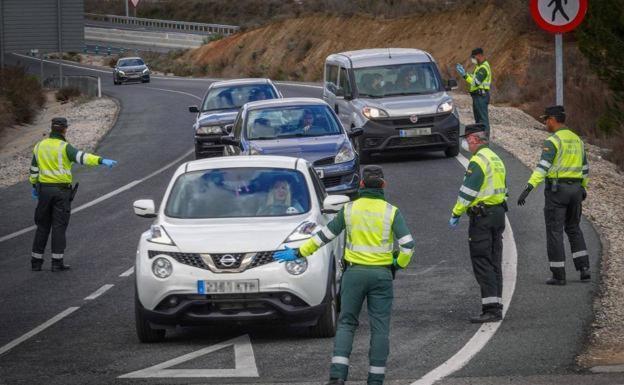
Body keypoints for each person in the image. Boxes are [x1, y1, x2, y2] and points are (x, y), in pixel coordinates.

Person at [273, 165, 415, 385]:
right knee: (380, 328)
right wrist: (397, 264)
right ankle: (375, 379)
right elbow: (408, 246)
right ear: (383, 185)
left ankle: (338, 376)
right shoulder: (391, 212)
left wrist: (299, 251)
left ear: (361, 184)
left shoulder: (349, 210)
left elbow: (324, 236)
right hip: (381, 276)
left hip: (354, 275)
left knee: (347, 323)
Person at [29, 117, 117, 272]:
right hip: (61, 192)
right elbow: (83, 158)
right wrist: (101, 160)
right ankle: (57, 263)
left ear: (52, 128)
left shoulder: (39, 146)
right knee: (58, 226)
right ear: (64, 129)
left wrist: (34, 186)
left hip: (44, 191)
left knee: (42, 226)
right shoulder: (64, 147)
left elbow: (34, 170)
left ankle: (36, 262)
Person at [517, 105, 590, 285]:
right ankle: (584, 269)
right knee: (574, 228)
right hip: (576, 190)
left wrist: (528, 188)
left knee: (554, 231)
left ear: (553, 119)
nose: (544, 123)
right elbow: (585, 168)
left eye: (546, 119)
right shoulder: (577, 140)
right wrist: (583, 188)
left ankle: (559, 275)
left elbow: (542, 168)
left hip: (558, 192)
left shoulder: (553, 141)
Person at [449, 123, 507, 323]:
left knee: (482, 261)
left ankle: (491, 309)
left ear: (474, 139)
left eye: (467, 140)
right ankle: (497, 304)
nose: (466, 144)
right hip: (498, 213)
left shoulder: (478, 161)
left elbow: (467, 192)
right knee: (494, 260)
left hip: (482, 217)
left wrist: (456, 213)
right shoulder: (496, 158)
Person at [455, 48, 492, 136]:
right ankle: (480, 140)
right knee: (478, 121)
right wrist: (465, 74)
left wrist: (464, 75)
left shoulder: (483, 68)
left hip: (481, 96)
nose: (473, 59)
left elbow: (476, 82)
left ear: (479, 56)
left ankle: (485, 141)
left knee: (483, 121)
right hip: (477, 96)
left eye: (473, 57)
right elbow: (473, 78)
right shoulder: (479, 67)